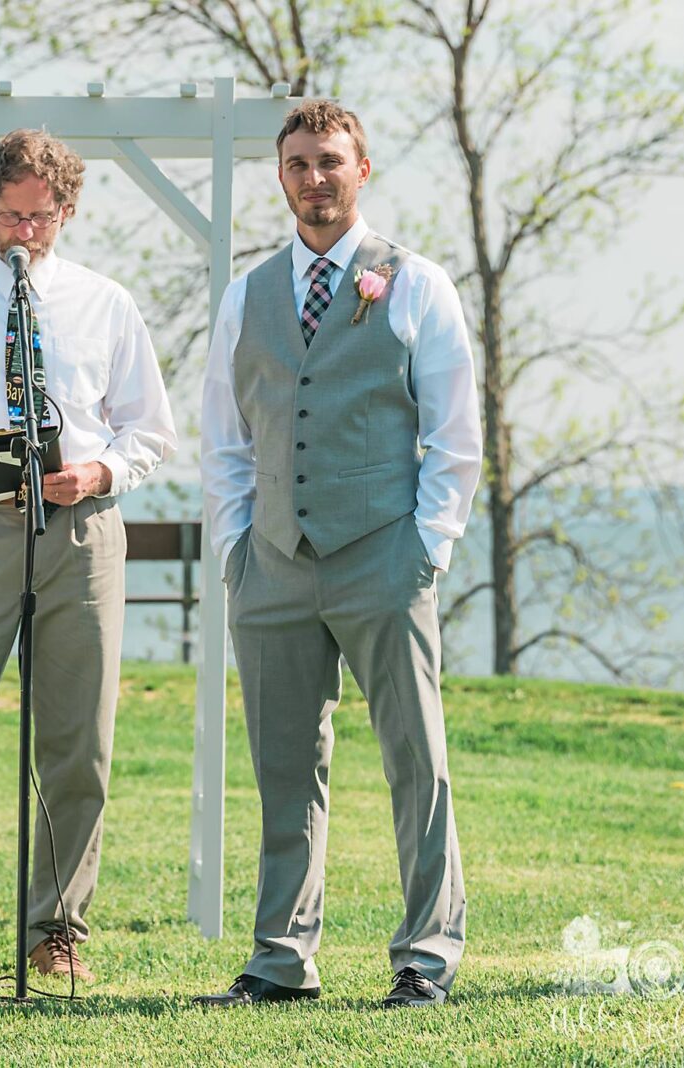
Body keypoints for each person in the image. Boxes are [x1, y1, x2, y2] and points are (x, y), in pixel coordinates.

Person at [195, 100, 482, 1010]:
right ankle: (282, 959)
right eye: (297, 164)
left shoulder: (417, 282)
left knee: (415, 760)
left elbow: (455, 434)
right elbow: (226, 437)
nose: (314, 178)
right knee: (284, 766)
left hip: (384, 556)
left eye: (330, 161)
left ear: (362, 170)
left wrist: (426, 549)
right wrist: (238, 547)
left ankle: (426, 957)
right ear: (279, 178)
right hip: (272, 561)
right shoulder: (248, 295)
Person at [0, 129, 177, 982]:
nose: (24, 233)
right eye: (10, 216)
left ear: (67, 211)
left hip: (83, 536)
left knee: (78, 743)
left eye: (40, 218)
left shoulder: (105, 302)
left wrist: (101, 470)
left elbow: (149, 429)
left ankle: (57, 931)